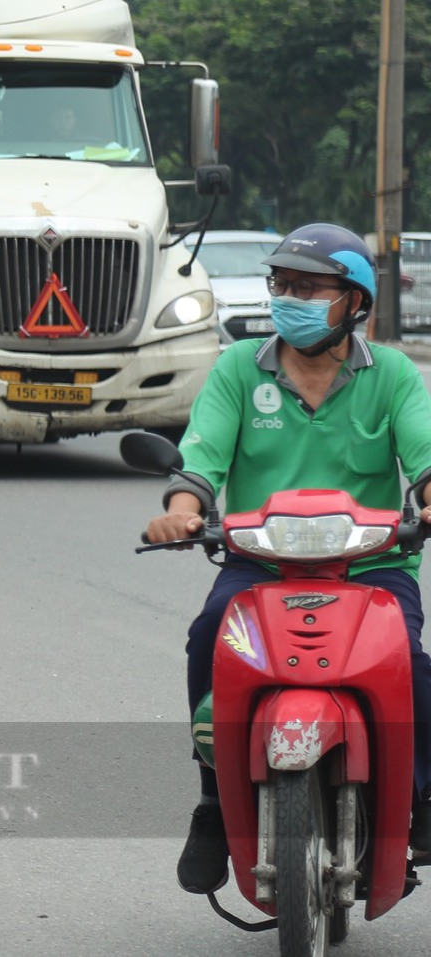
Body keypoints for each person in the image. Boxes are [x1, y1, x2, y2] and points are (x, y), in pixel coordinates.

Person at [145, 223, 431, 893]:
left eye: (309, 288)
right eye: (283, 286)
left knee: (412, 667)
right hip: (262, 564)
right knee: (206, 639)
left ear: (355, 301)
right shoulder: (238, 368)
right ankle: (214, 798)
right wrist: (184, 508)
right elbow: (202, 457)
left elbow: (424, 459)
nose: (289, 298)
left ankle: (420, 798)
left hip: (372, 566)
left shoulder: (390, 374)